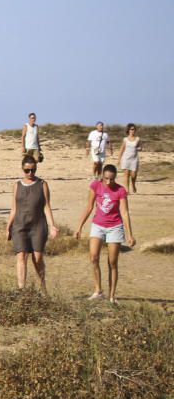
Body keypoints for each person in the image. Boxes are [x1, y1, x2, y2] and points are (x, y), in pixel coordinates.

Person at [75, 164, 136, 304]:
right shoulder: (95, 185)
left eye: (112, 179)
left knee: (112, 262)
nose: (108, 182)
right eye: (106, 178)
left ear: (115, 178)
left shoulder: (120, 190)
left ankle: (112, 296)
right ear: (102, 176)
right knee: (93, 257)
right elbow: (89, 207)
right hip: (98, 225)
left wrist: (129, 234)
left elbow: (125, 213)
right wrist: (79, 227)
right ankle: (98, 291)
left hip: (115, 227)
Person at [7, 155, 59, 292]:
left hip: (38, 226)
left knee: (37, 258)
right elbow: (13, 208)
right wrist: (8, 227)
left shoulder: (42, 184)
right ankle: (21, 290)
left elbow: (47, 206)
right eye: (27, 170)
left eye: (33, 170)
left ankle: (43, 286)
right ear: (22, 169)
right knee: (21, 256)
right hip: (20, 225)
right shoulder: (17, 185)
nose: (30, 173)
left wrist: (52, 225)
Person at [117, 123, 141, 194]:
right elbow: (122, 149)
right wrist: (119, 159)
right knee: (126, 175)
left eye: (134, 129)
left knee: (133, 175)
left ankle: (133, 184)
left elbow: (140, 147)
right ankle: (127, 190)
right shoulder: (125, 139)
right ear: (128, 130)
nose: (133, 131)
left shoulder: (137, 139)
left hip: (134, 159)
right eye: (131, 129)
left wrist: (139, 148)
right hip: (126, 159)